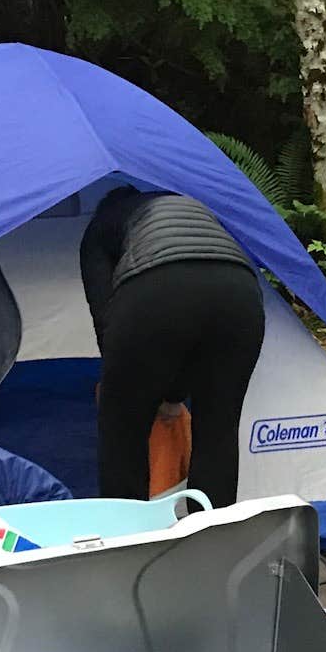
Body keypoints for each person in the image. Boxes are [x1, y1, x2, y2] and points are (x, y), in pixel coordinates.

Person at [78, 187, 264, 507]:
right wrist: (173, 395)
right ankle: (212, 540)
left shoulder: (100, 229)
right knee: (218, 431)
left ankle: (130, 543)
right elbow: (194, 319)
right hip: (241, 292)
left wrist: (126, 390)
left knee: (122, 434)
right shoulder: (191, 205)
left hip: (157, 287)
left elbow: (105, 319)